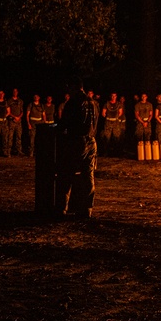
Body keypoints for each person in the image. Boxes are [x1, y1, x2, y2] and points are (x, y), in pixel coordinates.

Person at [55, 75, 99, 220]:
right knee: (88, 175)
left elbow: (63, 125)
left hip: (77, 141)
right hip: (91, 141)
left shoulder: (73, 102)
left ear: (74, 87)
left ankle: (62, 207)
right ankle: (87, 208)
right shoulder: (93, 103)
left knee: (66, 173)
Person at [7, 88, 24, 156]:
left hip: (18, 121)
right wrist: (14, 117)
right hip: (11, 120)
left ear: (18, 92)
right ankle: (8, 151)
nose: (15, 92)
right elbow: (8, 112)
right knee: (10, 136)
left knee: (19, 136)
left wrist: (19, 117)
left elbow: (22, 111)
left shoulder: (20, 101)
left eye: (16, 91)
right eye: (14, 91)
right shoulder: (9, 101)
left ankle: (19, 151)